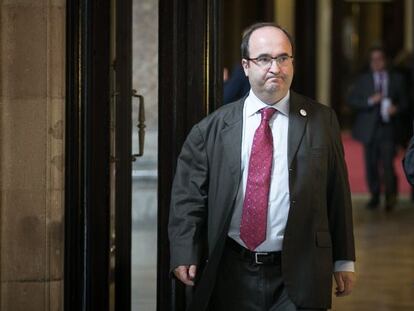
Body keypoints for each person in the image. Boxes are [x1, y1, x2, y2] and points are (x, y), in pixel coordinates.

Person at [169, 23, 356, 311]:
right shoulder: (212, 129)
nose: (276, 68)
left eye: (283, 58)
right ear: (245, 66)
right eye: (264, 59)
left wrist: (344, 259)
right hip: (231, 271)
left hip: (299, 271)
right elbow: (188, 197)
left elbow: (337, 194)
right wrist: (184, 250)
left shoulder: (321, 121)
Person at [347, 47, 408, 211]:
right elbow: (352, 100)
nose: (376, 62)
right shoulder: (363, 80)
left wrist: (397, 108)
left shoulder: (397, 79)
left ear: (385, 60)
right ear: (370, 62)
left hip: (388, 128)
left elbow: (406, 102)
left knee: (388, 164)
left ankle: (390, 197)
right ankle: (374, 196)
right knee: (371, 165)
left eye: (379, 59)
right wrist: (369, 101)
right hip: (369, 129)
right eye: (373, 59)